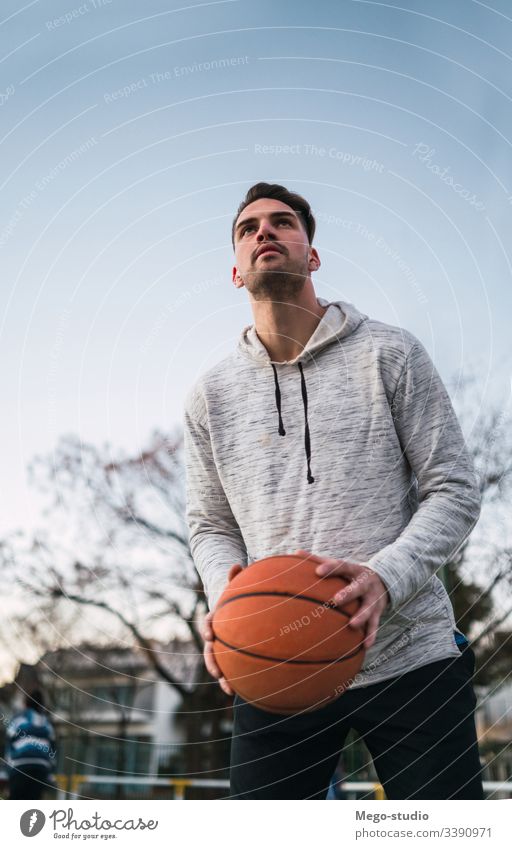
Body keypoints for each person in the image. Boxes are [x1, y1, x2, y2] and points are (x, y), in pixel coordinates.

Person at [183, 182, 483, 800]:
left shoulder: (391, 354)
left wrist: (384, 579)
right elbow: (210, 525)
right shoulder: (209, 396)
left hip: (412, 657)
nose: (264, 232)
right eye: (248, 228)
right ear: (235, 272)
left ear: (311, 255)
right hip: (276, 660)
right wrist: (228, 601)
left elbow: (454, 489)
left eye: (283, 222)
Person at [5, 689, 56, 800]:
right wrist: (50, 772)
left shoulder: (18, 719)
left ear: (25, 703)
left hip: (20, 765)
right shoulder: (47, 724)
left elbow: (9, 743)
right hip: (41, 767)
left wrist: (7, 769)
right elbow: (52, 750)